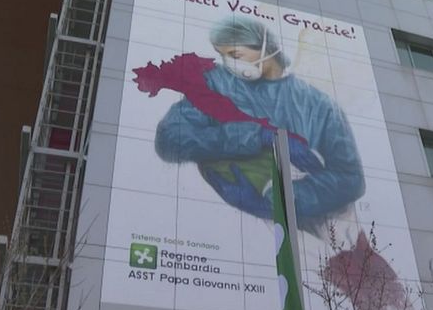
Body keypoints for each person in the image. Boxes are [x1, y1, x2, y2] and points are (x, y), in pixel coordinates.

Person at [154, 15, 365, 235]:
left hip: (325, 232)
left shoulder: (319, 105)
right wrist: (257, 136)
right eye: (222, 55)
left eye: (235, 55)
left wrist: (274, 203)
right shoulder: (217, 84)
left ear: (265, 47)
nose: (229, 63)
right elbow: (170, 138)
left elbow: (350, 178)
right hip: (231, 228)